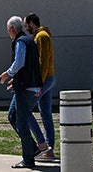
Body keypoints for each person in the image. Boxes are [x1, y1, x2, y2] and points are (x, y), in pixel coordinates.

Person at [0, 15, 42, 169]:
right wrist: (15, 80)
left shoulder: (21, 42)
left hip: (25, 89)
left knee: (21, 123)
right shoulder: (29, 41)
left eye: (8, 29)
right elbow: (32, 66)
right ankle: (33, 148)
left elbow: (19, 63)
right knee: (12, 116)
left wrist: (8, 74)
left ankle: (28, 159)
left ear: (11, 29)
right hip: (26, 86)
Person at [24, 13, 57, 161]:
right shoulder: (41, 35)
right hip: (48, 78)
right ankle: (49, 150)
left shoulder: (41, 36)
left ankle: (42, 144)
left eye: (26, 25)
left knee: (25, 110)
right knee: (46, 114)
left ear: (31, 23)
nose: (26, 28)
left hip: (45, 79)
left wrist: (39, 84)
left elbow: (42, 61)